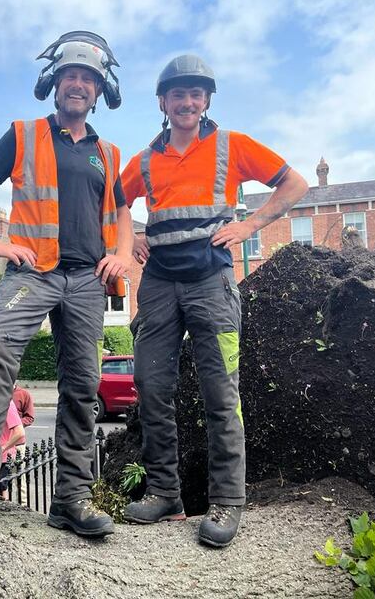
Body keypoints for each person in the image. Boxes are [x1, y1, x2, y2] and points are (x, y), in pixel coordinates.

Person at [0, 30, 133, 545]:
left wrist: (123, 255)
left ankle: (70, 499)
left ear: (98, 89)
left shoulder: (107, 152)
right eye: (71, 76)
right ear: (55, 82)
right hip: (31, 273)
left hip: (87, 280)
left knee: (83, 384)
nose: (78, 85)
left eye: (87, 78)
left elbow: (125, 211)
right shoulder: (22, 133)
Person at [120, 54, 308, 548]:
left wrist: (250, 225)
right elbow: (111, 202)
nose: (187, 102)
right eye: (177, 94)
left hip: (212, 281)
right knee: (151, 386)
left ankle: (227, 501)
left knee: (221, 392)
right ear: (163, 102)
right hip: (158, 283)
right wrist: (126, 240)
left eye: (195, 94)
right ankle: (164, 493)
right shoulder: (143, 160)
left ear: (206, 101)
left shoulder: (233, 145)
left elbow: (295, 183)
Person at [0, 400, 26, 498]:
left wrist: (3, 448)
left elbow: (20, 432)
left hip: (2, 457)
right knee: (0, 488)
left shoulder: (7, 403)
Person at [12, 384, 35, 503]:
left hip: (17, 443)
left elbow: (29, 417)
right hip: (1, 443)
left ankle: (23, 505)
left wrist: (15, 424)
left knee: (20, 478)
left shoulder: (23, 394)